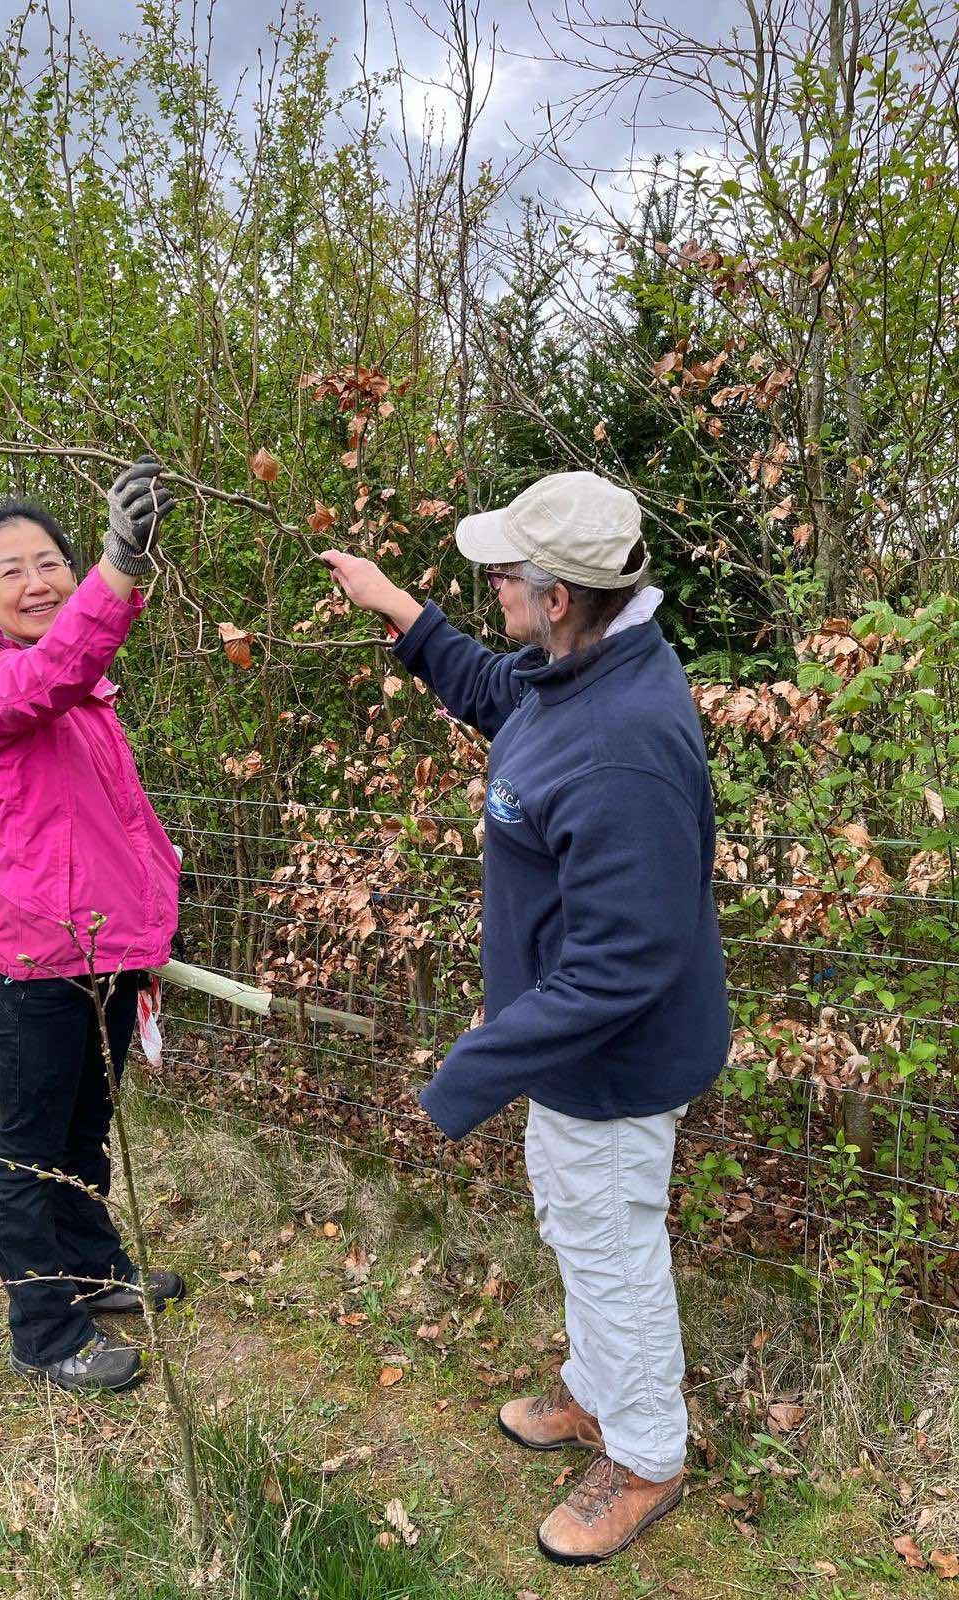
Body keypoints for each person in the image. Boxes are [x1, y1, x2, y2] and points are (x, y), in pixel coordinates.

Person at [320, 472, 729, 1566]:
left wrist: (470, 1071)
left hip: (613, 1060)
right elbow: (501, 693)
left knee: (611, 1246)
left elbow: (621, 965)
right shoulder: (578, 670)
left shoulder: (621, 743)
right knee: (580, 1226)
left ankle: (647, 1455)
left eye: (502, 573)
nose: (488, 584)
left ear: (557, 597)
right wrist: (400, 611)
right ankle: (599, 1393)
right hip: (566, 1053)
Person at [0, 459, 186, 1395]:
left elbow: (115, 823)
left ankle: (94, 1274)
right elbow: (59, 664)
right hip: (40, 963)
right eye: (13, 570)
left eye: (52, 561)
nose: (38, 581)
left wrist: (150, 930)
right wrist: (120, 569)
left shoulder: (85, 700)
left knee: (85, 1131)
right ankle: (43, 1330)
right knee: (30, 1148)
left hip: (110, 954)